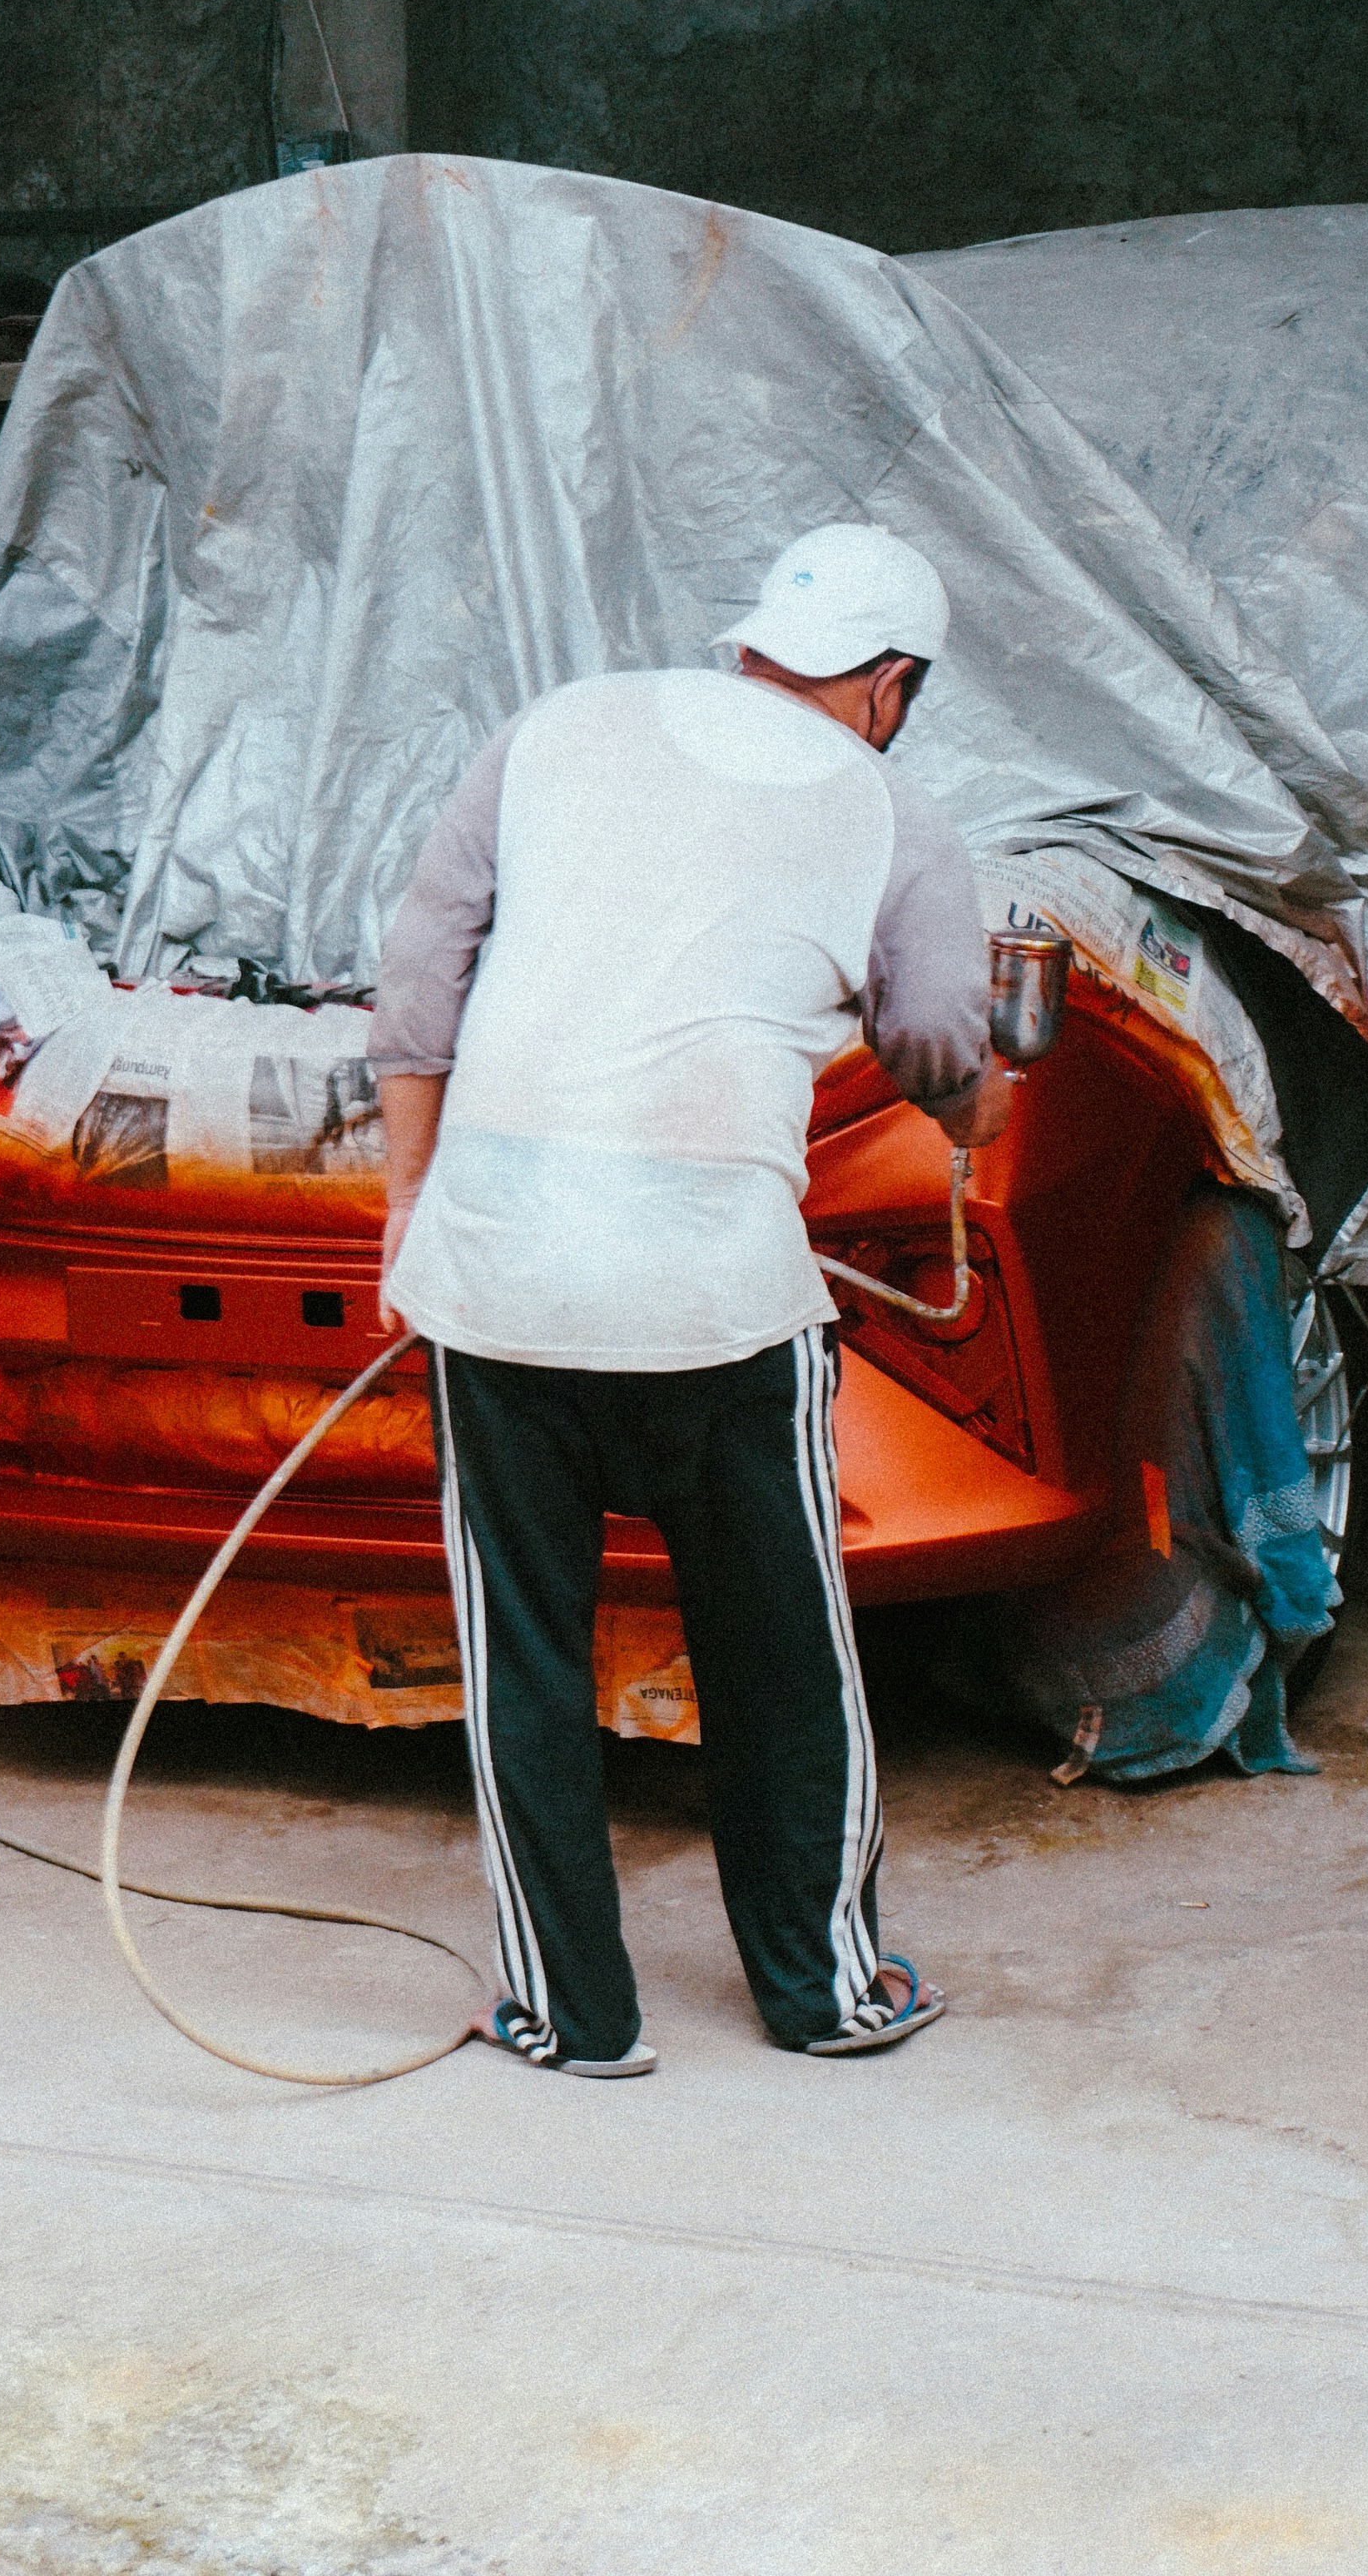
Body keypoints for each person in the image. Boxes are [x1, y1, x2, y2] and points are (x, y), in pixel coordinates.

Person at [368, 524, 1013, 2077]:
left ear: (753, 641)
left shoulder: (553, 729)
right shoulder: (893, 814)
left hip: (496, 1276)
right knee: (785, 1657)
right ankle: (828, 1995)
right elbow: (939, 1041)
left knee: (522, 1653)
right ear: (893, 683)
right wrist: (983, 1109)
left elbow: (418, 978)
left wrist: (410, 1219)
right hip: (718, 1299)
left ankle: (572, 2021)